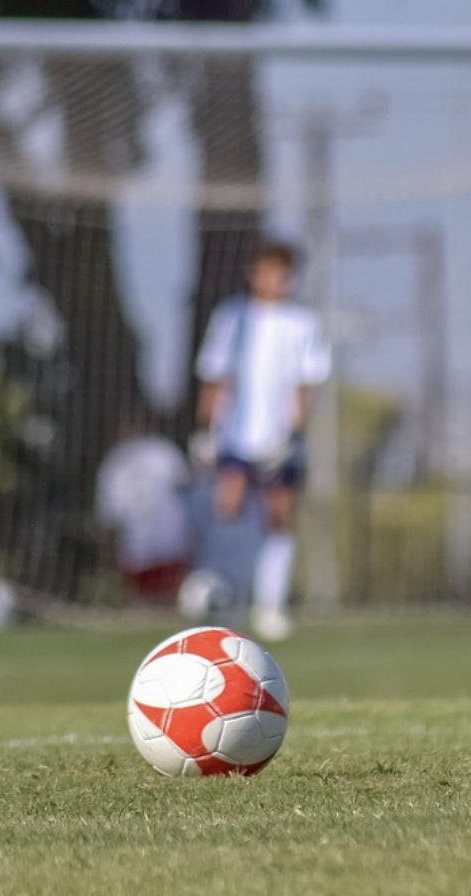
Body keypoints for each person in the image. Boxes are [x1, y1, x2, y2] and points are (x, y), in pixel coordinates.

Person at [193, 239, 331, 641]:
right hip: (235, 436)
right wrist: (205, 429)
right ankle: (223, 598)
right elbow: (216, 375)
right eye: (268, 269)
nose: (275, 279)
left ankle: (270, 605)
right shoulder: (231, 317)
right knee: (228, 511)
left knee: (279, 517)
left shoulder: (302, 323)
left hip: (278, 439)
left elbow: (307, 383)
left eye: (283, 272)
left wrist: (294, 434)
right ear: (253, 272)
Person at [95, 412, 194, 607]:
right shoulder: (116, 462)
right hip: (138, 547)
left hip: (169, 543)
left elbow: (186, 489)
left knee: (170, 603)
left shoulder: (162, 451)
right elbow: (109, 514)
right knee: (145, 606)